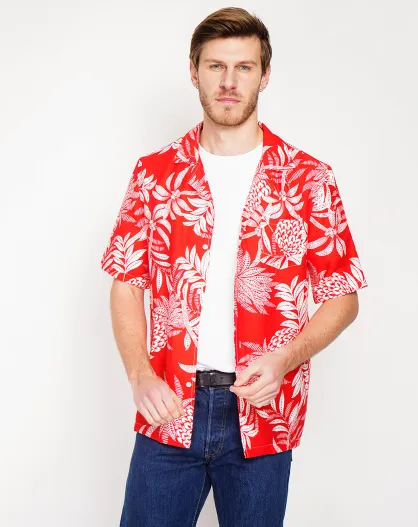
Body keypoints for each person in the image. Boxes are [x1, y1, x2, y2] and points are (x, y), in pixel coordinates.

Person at [100, 7, 368, 527]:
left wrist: (285, 359)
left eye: (244, 67)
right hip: (169, 408)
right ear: (193, 71)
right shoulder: (155, 175)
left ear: (264, 75)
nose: (229, 81)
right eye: (216, 66)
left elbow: (343, 296)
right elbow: (127, 284)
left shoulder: (309, 178)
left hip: (264, 416)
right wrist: (140, 376)